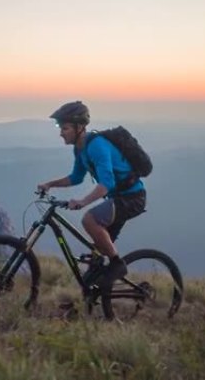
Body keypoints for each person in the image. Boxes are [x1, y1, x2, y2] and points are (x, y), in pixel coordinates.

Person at [37, 101, 147, 291]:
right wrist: (50, 184)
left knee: (90, 220)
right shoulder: (79, 149)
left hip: (132, 198)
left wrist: (82, 202)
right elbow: (76, 178)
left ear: (80, 127)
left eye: (65, 128)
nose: (61, 132)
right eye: (60, 128)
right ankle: (88, 299)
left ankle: (117, 264)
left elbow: (107, 185)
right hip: (118, 199)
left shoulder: (97, 146)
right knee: (96, 258)